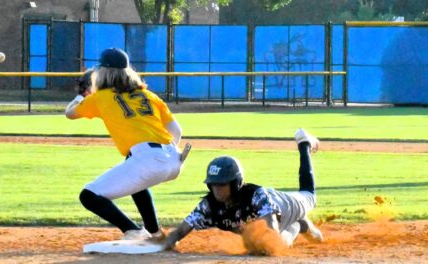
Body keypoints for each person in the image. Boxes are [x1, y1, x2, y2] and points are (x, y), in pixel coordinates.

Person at [66, 48, 188, 240]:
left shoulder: (100, 97)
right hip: (174, 160)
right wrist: (167, 156)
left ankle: (133, 232)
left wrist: (83, 95)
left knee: (88, 196)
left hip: (148, 159)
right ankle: (155, 233)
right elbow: (177, 131)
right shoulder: (149, 96)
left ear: (103, 73)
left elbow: (70, 113)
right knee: (135, 175)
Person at [164, 128, 323, 249]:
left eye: (222, 184)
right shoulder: (208, 206)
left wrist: (256, 241)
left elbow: (272, 232)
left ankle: (304, 143)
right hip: (274, 208)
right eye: (213, 184)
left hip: (288, 205)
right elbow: (178, 233)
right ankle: (299, 225)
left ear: (235, 183)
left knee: (309, 196)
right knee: (260, 243)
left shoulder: (256, 197)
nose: (217, 189)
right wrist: (165, 244)